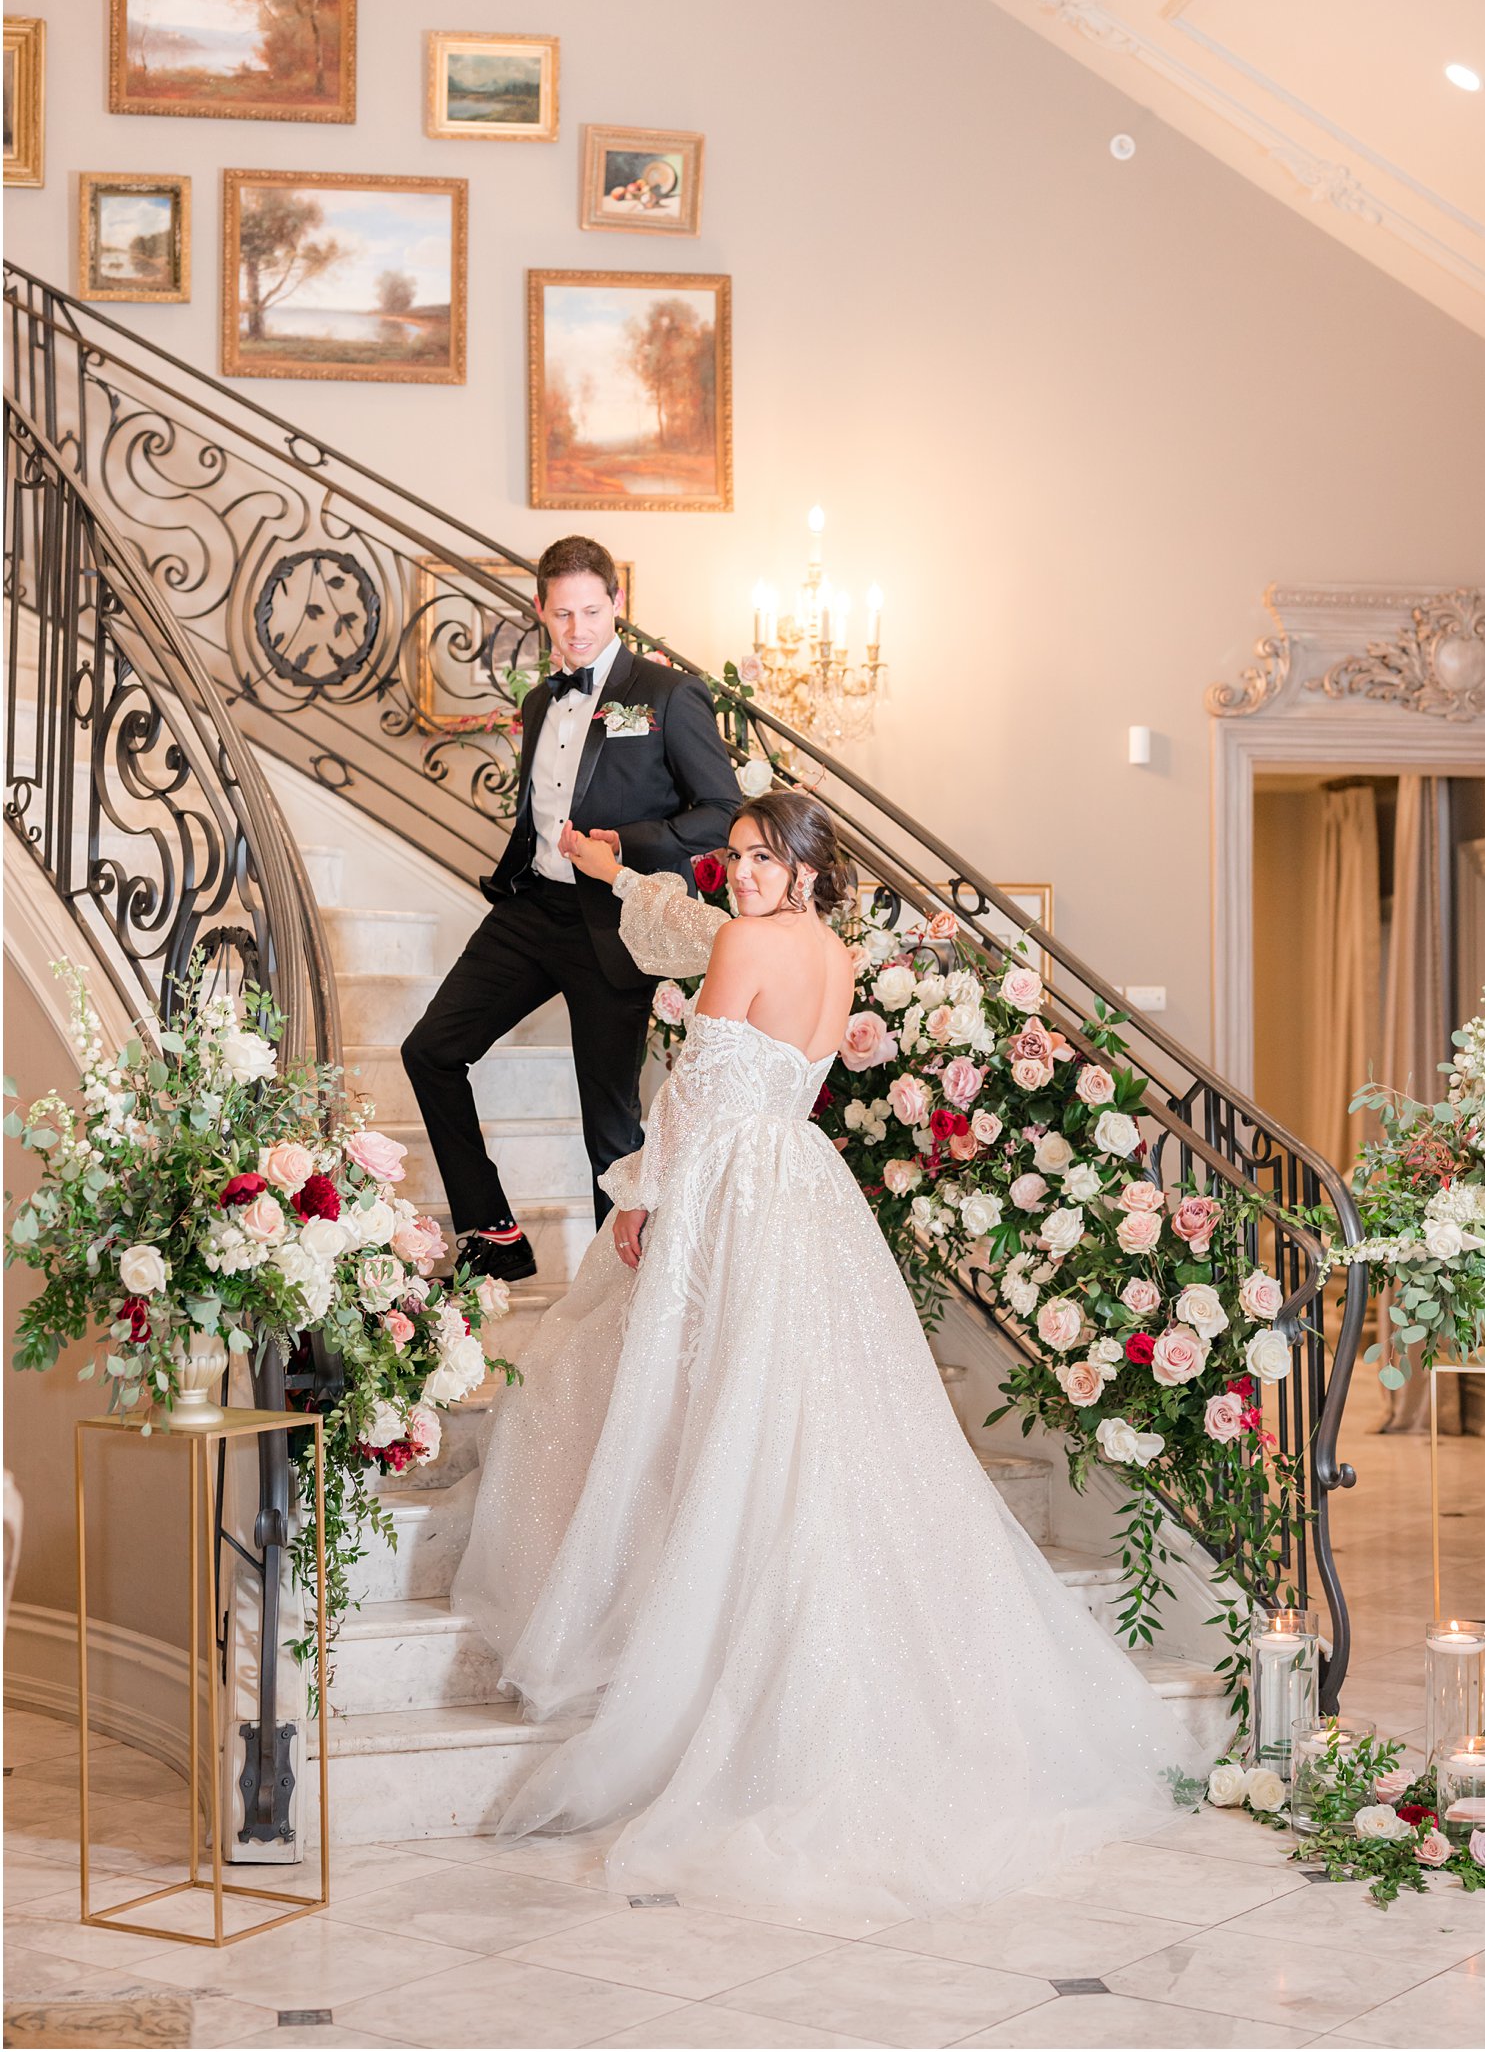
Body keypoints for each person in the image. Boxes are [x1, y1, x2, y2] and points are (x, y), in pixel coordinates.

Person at [452, 789, 1211, 1932]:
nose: (739, 876)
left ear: (803, 869)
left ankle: (692, 1628)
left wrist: (646, 1196)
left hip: (730, 1186)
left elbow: (698, 1094)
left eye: (758, 860)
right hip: (800, 1183)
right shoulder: (837, 956)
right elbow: (790, 1086)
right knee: (787, 1414)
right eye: (736, 859)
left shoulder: (750, 943)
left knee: (699, 1400)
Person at [400, 535, 739, 1284]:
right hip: (531, 909)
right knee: (428, 1050)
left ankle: (617, 1310)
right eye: (563, 613)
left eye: (592, 610)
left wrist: (627, 842)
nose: (578, 627)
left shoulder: (667, 695)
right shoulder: (538, 699)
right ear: (541, 610)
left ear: (617, 604)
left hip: (614, 923)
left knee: (610, 1132)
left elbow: (723, 809)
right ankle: (493, 1231)